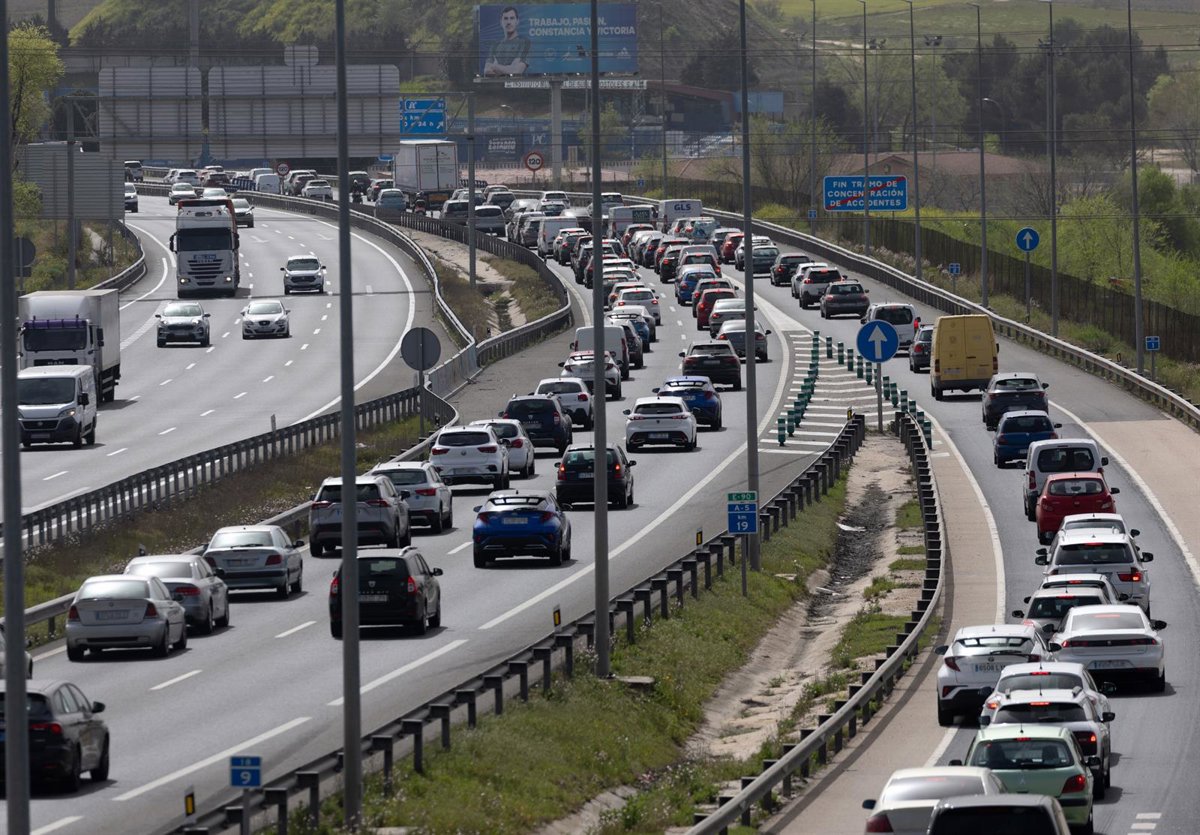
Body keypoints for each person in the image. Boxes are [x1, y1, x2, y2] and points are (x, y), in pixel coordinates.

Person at [484, 5, 531, 76]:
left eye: (512, 18)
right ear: (501, 22)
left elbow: (516, 71)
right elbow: (486, 70)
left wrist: (495, 66)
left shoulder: (524, 43)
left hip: (518, 85)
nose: (508, 22)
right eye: (505, 18)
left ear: (517, 21)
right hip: (497, 86)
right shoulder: (495, 45)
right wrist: (509, 68)